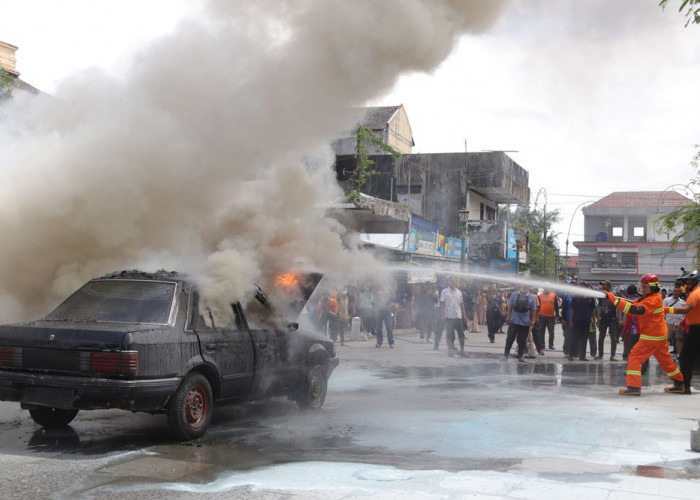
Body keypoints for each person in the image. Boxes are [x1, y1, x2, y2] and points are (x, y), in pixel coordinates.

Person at [604, 273, 685, 396]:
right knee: (665, 361)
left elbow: (635, 310)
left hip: (651, 336)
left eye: (645, 287)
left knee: (635, 357)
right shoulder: (653, 297)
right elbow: (637, 304)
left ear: (653, 288)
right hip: (659, 335)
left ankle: (633, 387)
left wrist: (615, 301)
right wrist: (617, 299)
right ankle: (680, 383)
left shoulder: (652, 300)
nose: (642, 289)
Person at [663, 270, 699, 394]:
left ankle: (684, 386)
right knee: (691, 358)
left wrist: (666, 309)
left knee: (685, 358)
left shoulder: (694, 295)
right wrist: (682, 323)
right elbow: (693, 313)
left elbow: (686, 310)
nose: (683, 286)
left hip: (696, 330)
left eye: (685, 283)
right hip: (695, 328)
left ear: (692, 282)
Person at [504, 287, 537, 362]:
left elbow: (533, 310)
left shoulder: (532, 297)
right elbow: (510, 306)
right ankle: (505, 355)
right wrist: (508, 316)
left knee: (522, 340)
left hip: (525, 323)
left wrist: (533, 320)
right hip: (514, 321)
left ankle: (520, 356)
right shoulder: (515, 294)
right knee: (510, 338)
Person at [568, 283, 596, 361]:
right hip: (576, 320)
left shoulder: (590, 298)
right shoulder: (576, 297)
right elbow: (572, 309)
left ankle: (582, 356)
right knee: (574, 338)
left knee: (584, 339)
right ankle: (571, 355)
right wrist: (571, 321)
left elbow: (592, 310)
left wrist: (594, 321)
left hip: (586, 320)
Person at [440, 277, 467, 357]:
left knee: (461, 334)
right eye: (451, 281)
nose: (452, 283)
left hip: (458, 316)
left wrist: (464, 315)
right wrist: (442, 315)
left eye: (454, 281)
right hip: (449, 316)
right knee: (449, 335)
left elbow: (461, 304)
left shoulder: (459, 292)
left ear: (456, 282)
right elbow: (442, 304)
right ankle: (449, 351)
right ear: (448, 282)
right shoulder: (444, 292)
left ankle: (462, 351)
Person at [596, 280, 620, 361]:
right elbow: (599, 307)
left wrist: (619, 319)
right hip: (603, 319)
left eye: (604, 285)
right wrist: (598, 319)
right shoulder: (601, 296)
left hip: (612, 319)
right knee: (601, 337)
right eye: (602, 285)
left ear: (609, 286)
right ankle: (600, 354)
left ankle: (612, 356)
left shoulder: (614, 295)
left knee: (613, 338)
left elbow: (619, 307)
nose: (603, 286)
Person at [664, 283, 685, 356]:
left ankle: (679, 355)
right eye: (675, 291)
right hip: (668, 322)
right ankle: (664, 354)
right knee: (666, 339)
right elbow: (663, 311)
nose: (676, 292)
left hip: (679, 323)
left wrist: (683, 323)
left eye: (678, 291)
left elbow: (684, 313)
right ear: (673, 292)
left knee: (679, 339)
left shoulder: (683, 302)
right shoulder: (666, 300)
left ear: (680, 292)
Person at [373, 284, 395, 348]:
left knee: (389, 327)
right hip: (379, 311)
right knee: (379, 328)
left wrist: (390, 292)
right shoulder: (377, 291)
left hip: (387, 311)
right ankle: (379, 342)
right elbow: (374, 298)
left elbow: (393, 296)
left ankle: (391, 342)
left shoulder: (388, 291)